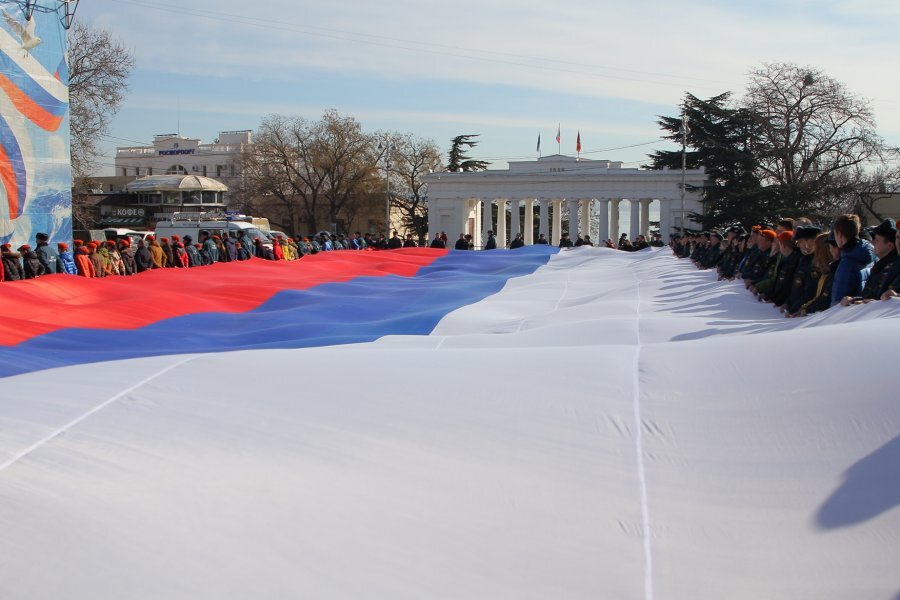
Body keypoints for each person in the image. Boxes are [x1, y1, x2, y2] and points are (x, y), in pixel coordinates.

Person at [830, 214, 875, 306]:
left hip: (847, 315)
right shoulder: (871, 254)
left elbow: (838, 300)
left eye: (834, 234)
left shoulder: (847, 263)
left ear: (839, 234)